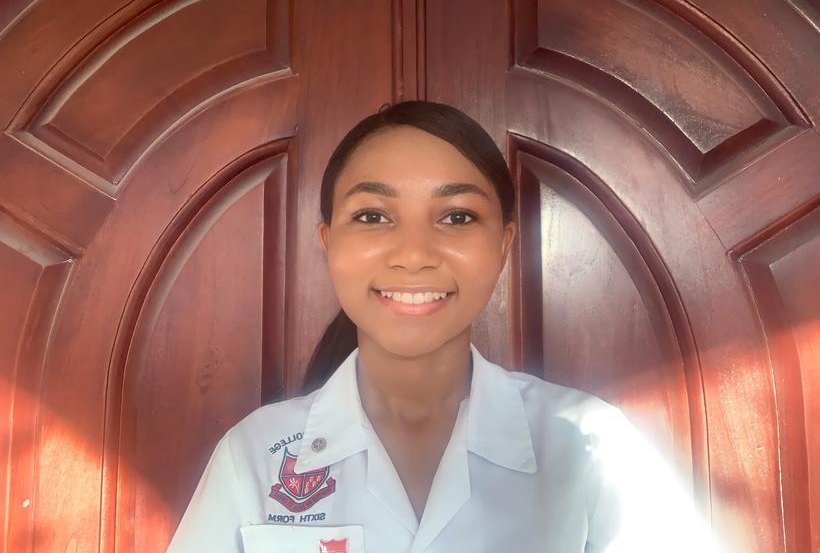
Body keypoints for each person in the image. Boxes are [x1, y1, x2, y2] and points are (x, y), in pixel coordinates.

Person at [167, 101, 720, 553]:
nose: (414, 255)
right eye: (372, 216)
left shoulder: (589, 444)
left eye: (457, 216)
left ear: (503, 245)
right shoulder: (255, 455)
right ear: (328, 242)